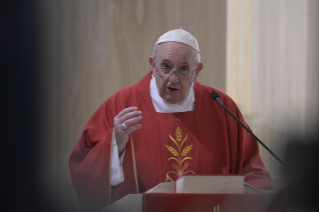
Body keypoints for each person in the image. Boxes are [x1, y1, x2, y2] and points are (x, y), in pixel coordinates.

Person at [69, 29, 275, 212]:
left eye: (184, 69)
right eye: (165, 67)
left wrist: (264, 200)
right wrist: (115, 144)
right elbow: (83, 165)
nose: (173, 79)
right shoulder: (121, 104)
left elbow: (251, 169)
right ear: (152, 65)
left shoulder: (221, 106)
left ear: (197, 71)